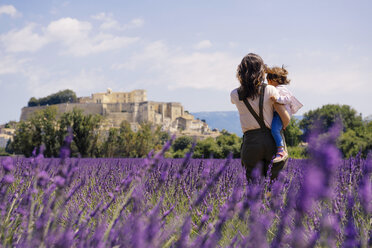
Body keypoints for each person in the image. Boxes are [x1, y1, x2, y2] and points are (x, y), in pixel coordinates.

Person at [230, 53, 290, 181]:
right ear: (261, 71)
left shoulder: (235, 94)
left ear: (240, 71)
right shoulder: (271, 90)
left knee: (253, 189)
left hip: (251, 143)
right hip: (272, 141)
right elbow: (286, 119)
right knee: (275, 188)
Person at [266, 66, 303, 163]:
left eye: (268, 80)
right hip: (278, 114)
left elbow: (288, 98)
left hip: (280, 115)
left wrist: (277, 99)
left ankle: (281, 150)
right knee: (274, 129)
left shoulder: (280, 88)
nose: (267, 83)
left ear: (273, 79)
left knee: (274, 130)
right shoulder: (278, 88)